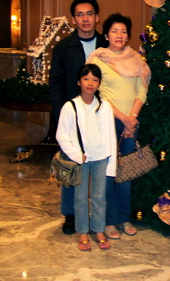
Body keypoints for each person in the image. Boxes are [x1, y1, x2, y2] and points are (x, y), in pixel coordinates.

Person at [87, 13, 150, 240]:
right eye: (114, 31)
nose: (119, 35)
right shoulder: (97, 60)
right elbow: (100, 94)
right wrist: (123, 119)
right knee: (107, 172)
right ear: (106, 35)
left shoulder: (136, 60)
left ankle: (124, 217)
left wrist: (131, 119)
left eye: (123, 31)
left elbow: (141, 91)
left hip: (131, 122)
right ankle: (109, 220)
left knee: (126, 172)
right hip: (107, 122)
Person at [50, 0, 108, 235]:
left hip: (99, 116)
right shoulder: (64, 47)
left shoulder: (106, 44)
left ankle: (100, 217)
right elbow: (55, 84)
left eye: (90, 14)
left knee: (100, 169)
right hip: (73, 117)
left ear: (97, 17)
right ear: (74, 19)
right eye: (80, 15)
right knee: (72, 168)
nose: (86, 19)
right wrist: (63, 115)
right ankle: (71, 215)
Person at [56, 64, 117, 252]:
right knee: (80, 197)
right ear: (79, 81)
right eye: (86, 78)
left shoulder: (105, 106)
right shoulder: (70, 106)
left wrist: (111, 163)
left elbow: (110, 134)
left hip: (101, 158)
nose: (90, 83)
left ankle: (98, 230)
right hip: (80, 160)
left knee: (99, 197)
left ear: (99, 84)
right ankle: (82, 231)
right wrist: (76, 155)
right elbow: (61, 135)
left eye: (95, 79)